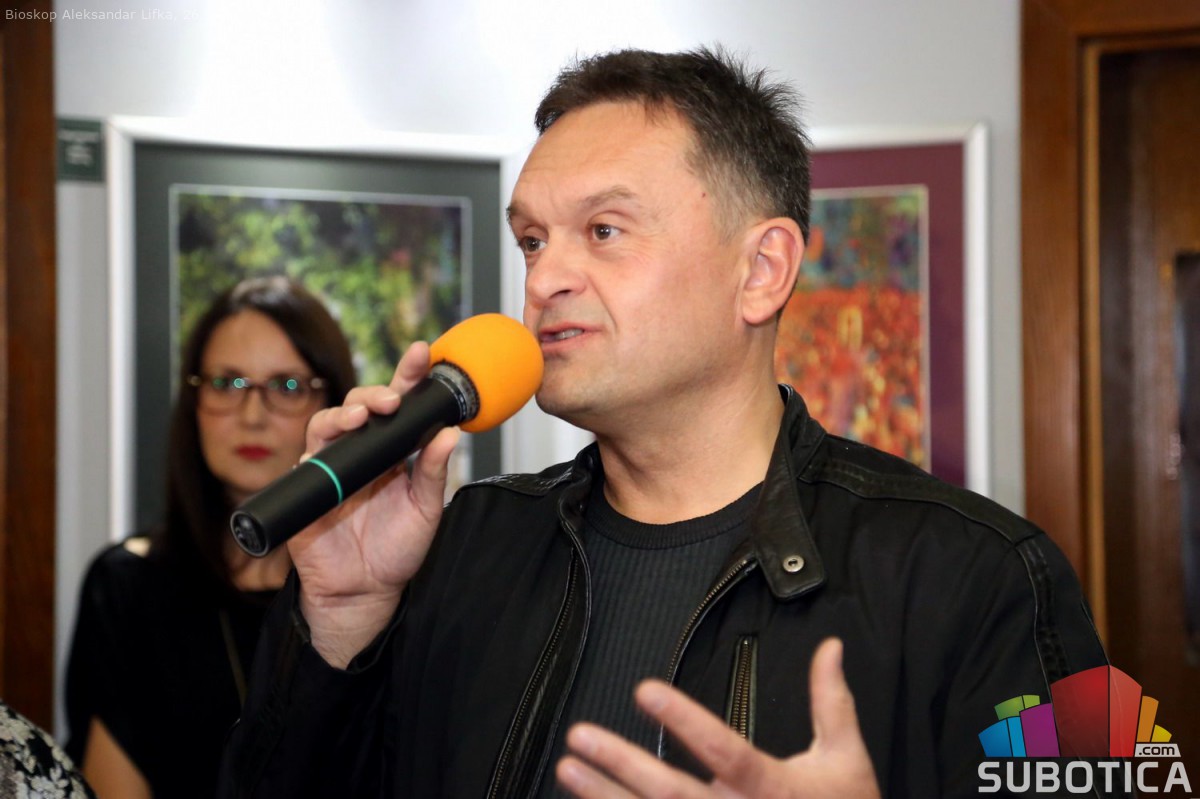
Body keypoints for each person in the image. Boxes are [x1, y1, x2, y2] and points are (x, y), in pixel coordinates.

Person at [219, 49, 1111, 798]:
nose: (544, 279)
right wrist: (343, 619)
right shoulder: (466, 547)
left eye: (604, 230)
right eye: (532, 240)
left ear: (762, 270)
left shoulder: (984, 575)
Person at [65, 276, 356, 799]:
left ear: (333, 402)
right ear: (193, 404)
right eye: (226, 383)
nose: (252, 415)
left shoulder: (379, 590)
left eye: (288, 386)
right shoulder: (129, 586)